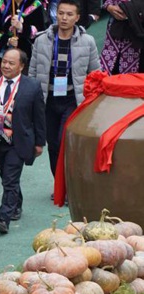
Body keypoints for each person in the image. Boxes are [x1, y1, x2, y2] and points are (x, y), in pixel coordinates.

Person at [28, 0, 100, 178]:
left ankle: (70, 183)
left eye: (69, 14)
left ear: (77, 18)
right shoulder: (41, 40)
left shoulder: (88, 41)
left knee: (64, 141)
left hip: (72, 99)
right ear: (56, 14)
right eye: (61, 13)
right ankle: (59, 184)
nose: (64, 18)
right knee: (52, 144)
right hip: (48, 98)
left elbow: (96, 73)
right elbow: (33, 72)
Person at [0, 49, 46, 234]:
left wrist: (40, 143)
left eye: (11, 63)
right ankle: (16, 204)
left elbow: (39, 117)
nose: (6, 66)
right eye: (4, 61)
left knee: (10, 178)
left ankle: (3, 218)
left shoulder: (32, 87)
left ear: (22, 66)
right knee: (7, 177)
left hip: (19, 141)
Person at [0, 0, 45, 78]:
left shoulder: (36, 5)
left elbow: (41, 32)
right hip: (4, 57)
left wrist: (22, 27)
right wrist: (8, 40)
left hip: (27, 58)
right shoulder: (1, 4)